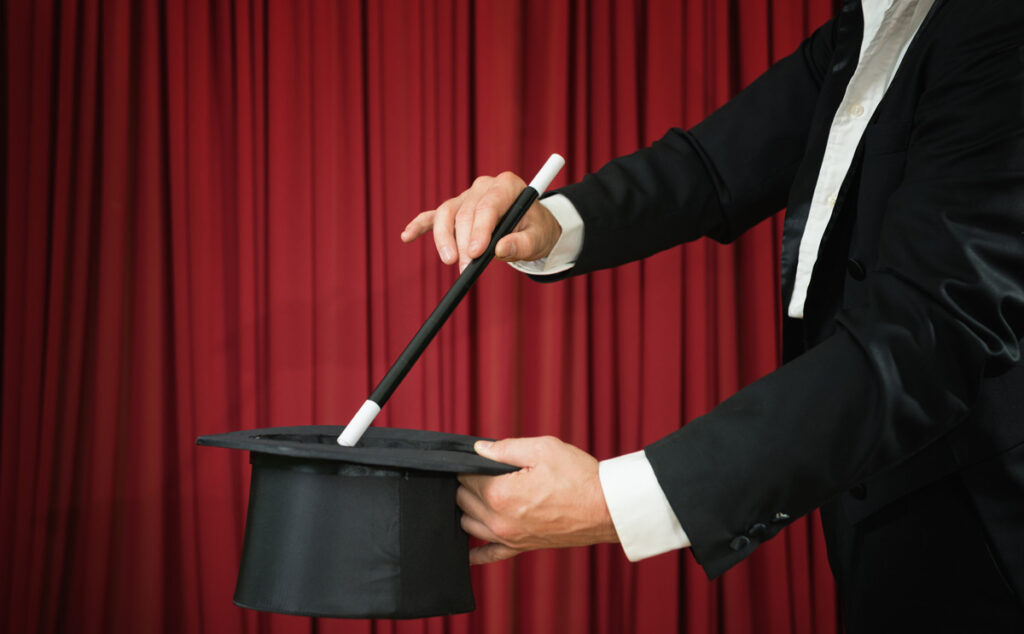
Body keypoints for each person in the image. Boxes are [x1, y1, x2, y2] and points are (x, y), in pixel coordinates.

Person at [401, 0, 1024, 631]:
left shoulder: (999, 24)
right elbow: (709, 168)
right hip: (876, 514)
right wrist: (548, 221)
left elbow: (927, 335)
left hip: (992, 529)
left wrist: (613, 501)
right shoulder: (862, 23)